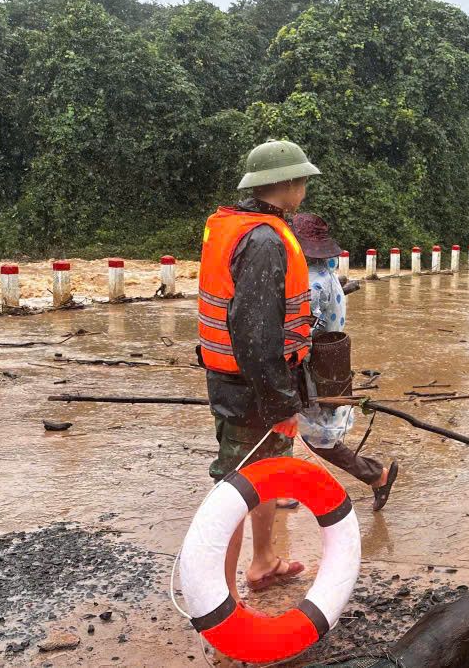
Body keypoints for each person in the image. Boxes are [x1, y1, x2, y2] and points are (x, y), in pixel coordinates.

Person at [198, 139, 319, 597]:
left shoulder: (241, 226)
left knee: (266, 470)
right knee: (235, 485)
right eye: (302, 179)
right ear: (285, 184)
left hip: (240, 379)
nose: (305, 187)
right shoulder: (265, 241)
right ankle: (217, 597)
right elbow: (254, 334)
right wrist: (281, 402)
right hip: (253, 386)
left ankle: (264, 560)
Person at [288, 213, 399, 510]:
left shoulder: (313, 284)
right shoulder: (326, 274)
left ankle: (376, 475)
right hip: (328, 363)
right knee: (296, 429)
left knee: (312, 436)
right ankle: (283, 489)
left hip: (311, 368)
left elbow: (300, 334)